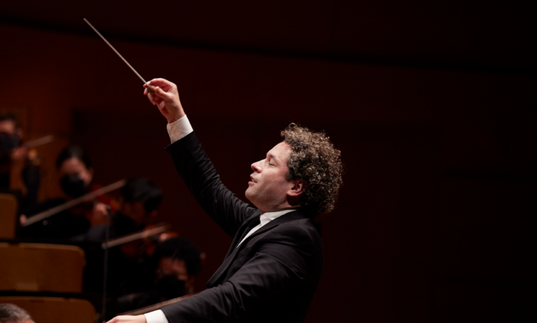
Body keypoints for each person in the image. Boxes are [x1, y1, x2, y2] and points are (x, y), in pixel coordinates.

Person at [107, 78, 343, 323]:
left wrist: (149, 321)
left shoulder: (298, 239)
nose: (256, 165)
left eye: (270, 162)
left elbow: (232, 297)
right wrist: (176, 118)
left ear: (296, 187)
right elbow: (209, 188)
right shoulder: (264, 223)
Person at [20, 145, 112, 240]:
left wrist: (98, 230)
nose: (71, 180)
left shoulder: (101, 206)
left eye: (76, 174)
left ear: (90, 173)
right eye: (65, 176)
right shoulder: (52, 207)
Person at [0, 111, 41, 209]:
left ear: (18, 134)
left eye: (5, 134)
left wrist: (16, 168)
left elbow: (19, 201)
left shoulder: (29, 161)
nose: (1, 139)